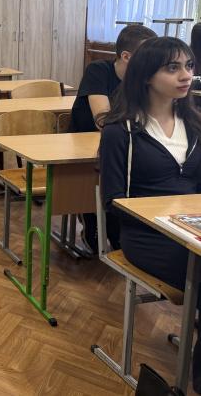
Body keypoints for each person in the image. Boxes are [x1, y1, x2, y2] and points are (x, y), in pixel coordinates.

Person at [99, 36, 201, 392]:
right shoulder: (121, 132)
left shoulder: (196, 126)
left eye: (189, 66)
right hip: (147, 235)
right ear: (146, 75)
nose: (186, 76)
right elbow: (113, 200)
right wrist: (168, 218)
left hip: (193, 232)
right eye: (173, 68)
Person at [71, 24, 157, 252]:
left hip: (122, 145)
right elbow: (102, 118)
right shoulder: (99, 70)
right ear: (126, 56)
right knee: (100, 187)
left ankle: (121, 231)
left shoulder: (145, 81)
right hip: (82, 148)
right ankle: (93, 223)